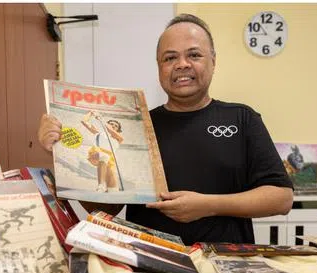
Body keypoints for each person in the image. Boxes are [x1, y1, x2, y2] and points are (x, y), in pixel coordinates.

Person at [38, 14, 293, 244]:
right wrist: (63, 150)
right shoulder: (137, 127)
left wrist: (209, 205)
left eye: (194, 55)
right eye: (170, 58)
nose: (182, 64)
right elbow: (106, 209)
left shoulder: (242, 119)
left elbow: (281, 198)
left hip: (227, 264)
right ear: (159, 67)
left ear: (213, 61)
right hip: (148, 264)